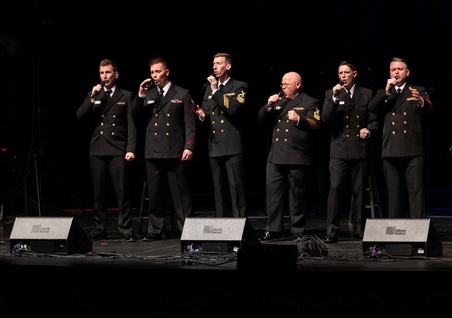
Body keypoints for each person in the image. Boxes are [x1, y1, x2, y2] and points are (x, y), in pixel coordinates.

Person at [135, 57, 197, 240]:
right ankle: (156, 229)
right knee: (155, 194)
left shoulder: (182, 93)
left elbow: (190, 123)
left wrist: (189, 146)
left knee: (180, 195)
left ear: (167, 72)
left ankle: (186, 228)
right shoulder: (149, 94)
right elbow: (135, 115)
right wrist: (140, 95)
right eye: (152, 72)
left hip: (175, 150)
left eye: (158, 71)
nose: (154, 76)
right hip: (153, 150)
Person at [76, 59, 137, 241]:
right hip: (98, 149)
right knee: (99, 194)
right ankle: (100, 227)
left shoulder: (126, 96)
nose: (104, 77)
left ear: (115, 75)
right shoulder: (95, 94)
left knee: (122, 192)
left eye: (108, 73)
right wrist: (92, 98)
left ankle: (125, 228)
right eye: (102, 73)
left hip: (118, 148)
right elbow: (80, 115)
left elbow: (131, 125)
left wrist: (131, 148)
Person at [257, 71, 321, 240]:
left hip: (297, 155)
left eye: (286, 84)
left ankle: (297, 230)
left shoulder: (309, 101)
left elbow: (316, 124)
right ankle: (273, 228)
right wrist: (268, 105)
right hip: (275, 155)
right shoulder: (279, 101)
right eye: (282, 84)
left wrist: (300, 119)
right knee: (273, 194)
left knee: (297, 196)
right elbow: (261, 119)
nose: (283, 87)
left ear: (297, 85)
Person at [321, 61, 377, 243]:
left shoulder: (366, 94)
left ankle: (359, 229)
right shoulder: (331, 94)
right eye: (340, 73)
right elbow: (325, 119)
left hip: (359, 148)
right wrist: (335, 98)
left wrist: (368, 129)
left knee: (359, 191)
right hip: (338, 149)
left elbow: (374, 120)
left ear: (355, 73)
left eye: (346, 72)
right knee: (335, 188)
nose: (343, 76)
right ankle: (332, 231)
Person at [370, 57, 433, 218]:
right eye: (393, 70)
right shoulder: (384, 92)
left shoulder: (417, 90)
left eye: (399, 69)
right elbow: (372, 108)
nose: (396, 72)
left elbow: (429, 109)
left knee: (415, 193)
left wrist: (420, 101)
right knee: (394, 194)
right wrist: (386, 91)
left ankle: (417, 235)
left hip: (413, 149)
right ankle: (393, 233)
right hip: (390, 149)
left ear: (407, 72)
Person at [194, 53, 249, 218]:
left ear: (228, 66)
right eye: (213, 64)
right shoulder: (210, 87)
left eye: (218, 63)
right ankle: (221, 223)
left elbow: (232, 108)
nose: (214, 67)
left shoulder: (239, 86)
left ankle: (240, 225)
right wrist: (202, 117)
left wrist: (216, 91)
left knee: (236, 187)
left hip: (231, 144)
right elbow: (209, 112)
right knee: (218, 189)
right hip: (215, 143)